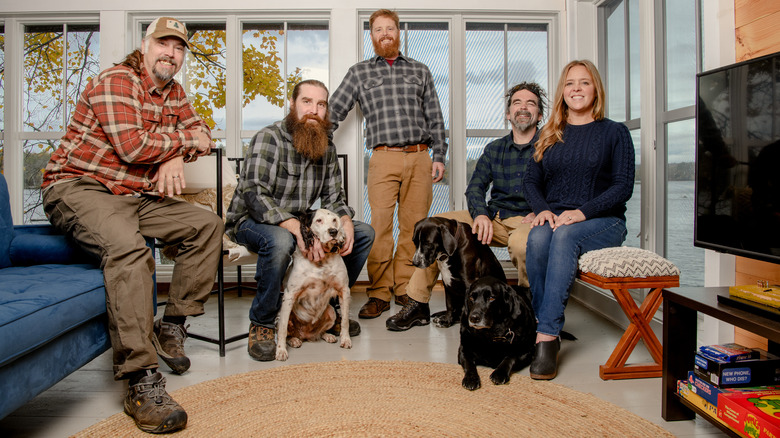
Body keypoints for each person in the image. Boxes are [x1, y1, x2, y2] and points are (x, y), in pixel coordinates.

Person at [41, 17, 223, 433]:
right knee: (129, 250)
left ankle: (171, 324)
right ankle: (140, 379)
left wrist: (177, 151)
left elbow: (203, 132)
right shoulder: (117, 80)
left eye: (179, 48)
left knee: (207, 225)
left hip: (132, 194)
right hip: (80, 186)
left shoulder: (175, 93)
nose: (171, 54)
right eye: (164, 44)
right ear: (145, 45)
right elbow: (133, 145)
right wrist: (177, 148)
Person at [225, 79, 375, 362]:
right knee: (281, 239)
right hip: (251, 221)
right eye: (306, 102)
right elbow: (254, 194)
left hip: (298, 224)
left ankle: (324, 308)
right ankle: (262, 323)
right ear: (292, 104)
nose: (313, 110)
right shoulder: (269, 138)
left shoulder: (326, 147)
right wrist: (296, 228)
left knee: (363, 232)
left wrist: (344, 221)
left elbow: (335, 197)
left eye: (321, 105)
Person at [386, 82, 546, 331]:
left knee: (523, 244)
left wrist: (543, 210)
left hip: (528, 220)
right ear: (508, 113)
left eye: (530, 103)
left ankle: (529, 306)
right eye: (517, 103)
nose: (523, 108)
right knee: (436, 225)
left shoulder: (550, 147)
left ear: (539, 114)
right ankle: (418, 303)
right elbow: (475, 188)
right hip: (494, 217)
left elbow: (561, 188)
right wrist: (481, 214)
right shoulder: (495, 149)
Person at [329, 8, 448, 319]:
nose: (384, 34)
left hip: (421, 157)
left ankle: (405, 290)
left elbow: (435, 117)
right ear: (371, 36)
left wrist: (440, 155)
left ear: (399, 32)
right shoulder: (359, 73)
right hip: (383, 159)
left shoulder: (421, 71)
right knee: (380, 228)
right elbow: (333, 111)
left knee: (414, 229)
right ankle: (379, 292)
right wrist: (311, 140)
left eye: (390, 28)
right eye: (378, 29)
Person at [523, 60, 635, 380]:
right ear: (562, 92)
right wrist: (543, 209)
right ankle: (541, 324)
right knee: (538, 236)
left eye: (584, 83)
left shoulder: (615, 132)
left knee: (564, 236)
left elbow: (622, 187)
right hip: (557, 217)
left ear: (595, 89)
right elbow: (531, 181)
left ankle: (546, 337)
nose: (576, 89)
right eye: (570, 83)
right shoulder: (549, 133)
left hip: (603, 219)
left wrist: (582, 213)